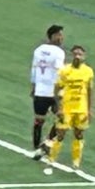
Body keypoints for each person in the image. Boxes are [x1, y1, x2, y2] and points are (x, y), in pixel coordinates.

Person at [45, 46, 95, 171]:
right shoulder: (64, 71)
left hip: (81, 109)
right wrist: (59, 108)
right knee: (60, 133)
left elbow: (89, 90)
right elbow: (56, 90)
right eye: (75, 54)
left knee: (79, 134)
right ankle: (51, 159)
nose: (78, 56)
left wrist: (89, 109)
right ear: (72, 55)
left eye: (80, 54)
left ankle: (76, 162)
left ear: (84, 56)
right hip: (67, 108)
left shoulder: (88, 71)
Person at [28, 23, 67, 162]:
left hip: (40, 91)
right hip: (53, 92)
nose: (62, 38)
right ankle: (47, 144)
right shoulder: (59, 52)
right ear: (53, 35)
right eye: (60, 35)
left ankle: (37, 148)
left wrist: (33, 86)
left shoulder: (38, 50)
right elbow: (60, 72)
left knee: (39, 120)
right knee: (63, 119)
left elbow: (34, 69)